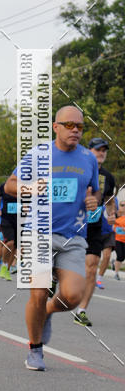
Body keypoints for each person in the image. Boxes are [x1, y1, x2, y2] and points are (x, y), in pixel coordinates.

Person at [5, 105, 100, 371]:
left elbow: (94, 192)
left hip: (73, 236)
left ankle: (47, 312)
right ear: (56, 127)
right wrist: (31, 187)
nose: (75, 131)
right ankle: (35, 350)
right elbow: (10, 185)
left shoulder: (88, 159)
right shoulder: (38, 154)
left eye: (80, 126)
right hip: (39, 233)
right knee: (37, 292)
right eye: (69, 125)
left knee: (72, 297)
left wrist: (93, 201)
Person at [74, 137, 117, 325]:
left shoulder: (108, 177)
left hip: (94, 226)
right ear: (89, 151)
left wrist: (111, 213)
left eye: (104, 150)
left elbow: (108, 199)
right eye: (98, 149)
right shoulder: (77, 169)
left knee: (92, 266)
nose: (101, 153)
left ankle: (81, 311)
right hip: (72, 224)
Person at [0, 183, 18, 281]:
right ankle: (4, 264)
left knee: (14, 247)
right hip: (6, 219)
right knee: (10, 243)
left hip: (20, 220)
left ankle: (7, 269)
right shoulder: (5, 186)